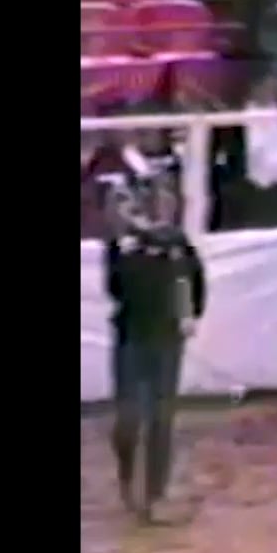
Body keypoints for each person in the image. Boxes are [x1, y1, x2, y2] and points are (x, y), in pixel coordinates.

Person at [103, 176, 207, 524]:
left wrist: (189, 314)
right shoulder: (123, 244)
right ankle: (131, 480)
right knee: (130, 419)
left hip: (162, 338)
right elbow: (116, 286)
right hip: (134, 336)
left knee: (160, 418)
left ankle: (153, 493)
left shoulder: (173, 242)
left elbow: (193, 280)